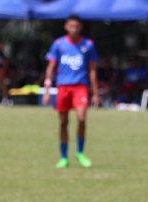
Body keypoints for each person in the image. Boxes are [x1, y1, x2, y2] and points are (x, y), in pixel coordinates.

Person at [43, 15, 99, 169]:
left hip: (80, 87)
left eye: (77, 27)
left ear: (80, 28)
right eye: (71, 26)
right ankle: (63, 157)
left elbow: (92, 70)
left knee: (81, 118)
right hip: (63, 87)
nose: (74, 29)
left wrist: (95, 93)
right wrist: (47, 90)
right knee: (63, 122)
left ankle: (80, 152)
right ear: (66, 27)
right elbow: (51, 67)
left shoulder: (88, 45)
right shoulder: (58, 44)